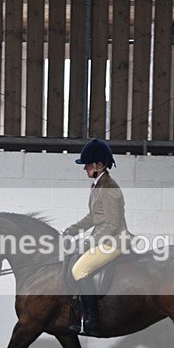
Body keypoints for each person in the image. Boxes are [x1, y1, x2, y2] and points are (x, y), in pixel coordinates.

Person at [62, 138, 130, 335]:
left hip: (114, 241)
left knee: (79, 269)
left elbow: (112, 224)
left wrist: (89, 242)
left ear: (99, 164)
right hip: (105, 238)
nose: (85, 168)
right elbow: (94, 217)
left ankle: (91, 319)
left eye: (88, 165)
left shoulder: (108, 188)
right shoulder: (98, 185)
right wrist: (72, 229)